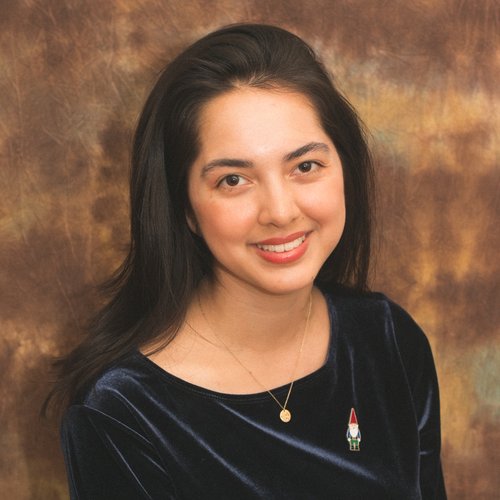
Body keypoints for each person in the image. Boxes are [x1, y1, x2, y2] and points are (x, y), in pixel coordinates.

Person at [47, 23, 446, 499]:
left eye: (305, 166)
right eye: (233, 180)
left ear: (346, 168)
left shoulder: (389, 340)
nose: (280, 212)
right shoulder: (121, 413)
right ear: (184, 208)